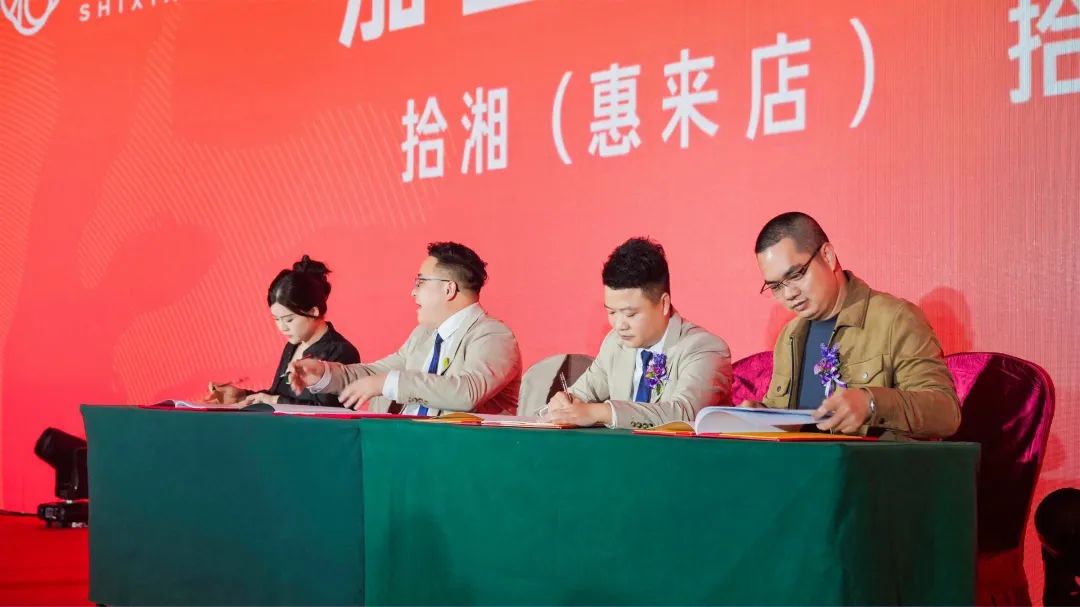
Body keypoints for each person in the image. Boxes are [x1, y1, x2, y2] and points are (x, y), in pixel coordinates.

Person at [744, 212, 960, 439]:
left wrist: (871, 403)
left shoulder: (896, 319)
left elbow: (946, 413)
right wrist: (762, 415)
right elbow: (787, 418)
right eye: (776, 286)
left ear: (828, 256)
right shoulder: (789, 336)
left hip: (868, 461)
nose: (789, 294)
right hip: (802, 461)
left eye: (797, 274)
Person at [288, 242, 521, 415]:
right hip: (407, 446)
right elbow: (375, 373)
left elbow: (467, 392)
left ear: (448, 289)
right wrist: (324, 373)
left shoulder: (493, 335)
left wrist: (388, 383)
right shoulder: (423, 335)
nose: (413, 292)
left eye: (420, 282)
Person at [545, 237, 732, 429]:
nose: (619, 325)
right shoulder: (615, 344)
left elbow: (684, 415)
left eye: (630, 314)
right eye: (611, 312)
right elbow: (581, 395)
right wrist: (563, 404)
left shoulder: (705, 348)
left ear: (663, 304)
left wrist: (602, 412)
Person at [207, 255, 360, 407]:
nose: (282, 327)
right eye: (276, 319)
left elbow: (328, 412)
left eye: (289, 320)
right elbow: (277, 395)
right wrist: (241, 396)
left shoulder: (341, 352)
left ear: (313, 311)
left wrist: (274, 400)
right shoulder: (293, 346)